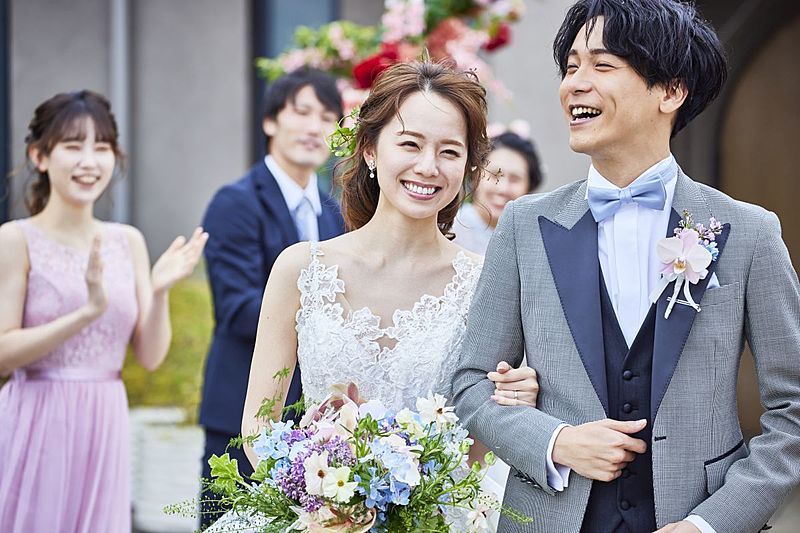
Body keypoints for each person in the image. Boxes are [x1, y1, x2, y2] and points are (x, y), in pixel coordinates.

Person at [453, 0, 800, 532]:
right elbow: (471, 382)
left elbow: (793, 410)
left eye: (602, 65)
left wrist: (710, 524)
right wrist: (556, 441)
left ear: (671, 91)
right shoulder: (524, 225)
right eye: (571, 66)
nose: (575, 84)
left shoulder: (748, 232)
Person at [235, 61, 540, 529]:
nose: (428, 167)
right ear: (370, 149)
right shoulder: (300, 269)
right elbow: (259, 423)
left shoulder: (488, 284)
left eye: (449, 151)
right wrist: (318, 497)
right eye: (410, 144)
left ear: (468, 167)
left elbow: (482, 442)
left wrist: (412, 506)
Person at [0, 90, 207, 532]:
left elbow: (150, 357)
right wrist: (86, 312)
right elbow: (3, 353)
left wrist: (160, 291)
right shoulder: (15, 240)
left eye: (102, 147)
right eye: (73, 146)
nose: (89, 161)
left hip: (105, 416)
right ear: (39, 156)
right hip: (36, 416)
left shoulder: (127, 240)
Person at [198, 68, 347, 526]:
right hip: (240, 413)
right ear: (269, 121)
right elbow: (237, 308)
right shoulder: (235, 203)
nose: (314, 127)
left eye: (327, 117)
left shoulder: (336, 212)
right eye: (301, 112)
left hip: (314, 424)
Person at [454, 128, 543, 254]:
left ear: (529, 187)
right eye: (494, 175)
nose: (502, 189)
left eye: (515, 179)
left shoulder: (536, 242)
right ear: (475, 176)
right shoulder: (450, 229)